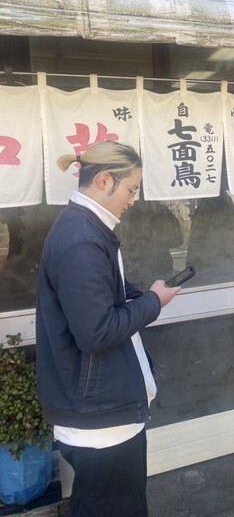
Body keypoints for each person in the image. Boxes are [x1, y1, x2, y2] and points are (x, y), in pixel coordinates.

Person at [35, 141, 181, 517]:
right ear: (104, 181)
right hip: (100, 421)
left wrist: (141, 295)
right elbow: (96, 331)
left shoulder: (86, 229)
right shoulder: (81, 239)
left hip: (100, 411)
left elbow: (104, 295)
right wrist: (153, 302)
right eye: (131, 189)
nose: (132, 200)